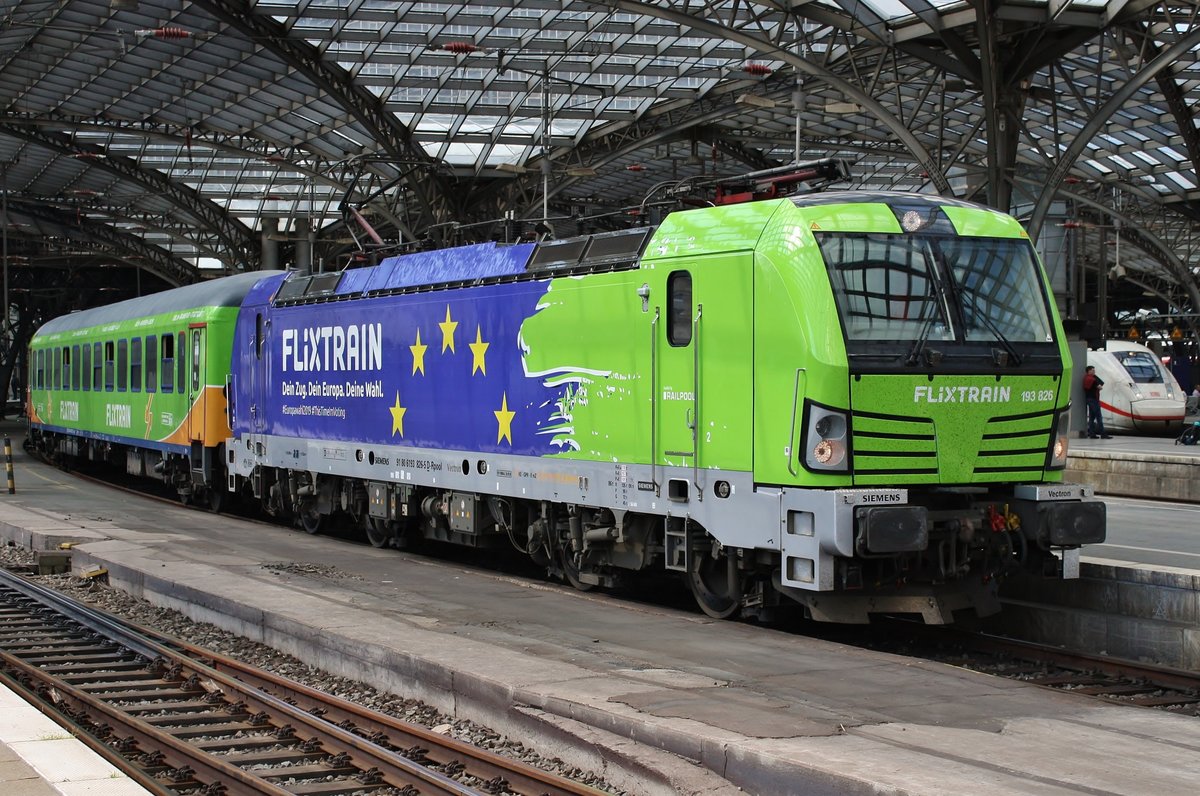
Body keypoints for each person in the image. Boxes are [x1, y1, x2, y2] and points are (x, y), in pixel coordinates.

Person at [1082, 365, 1111, 439]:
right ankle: (1103, 434)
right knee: (1099, 417)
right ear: (1089, 371)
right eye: (1093, 370)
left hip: (1088, 399)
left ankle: (1092, 434)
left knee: (1092, 418)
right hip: (1094, 400)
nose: (1094, 371)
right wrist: (1095, 379)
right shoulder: (1092, 380)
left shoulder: (1086, 378)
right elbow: (1100, 387)